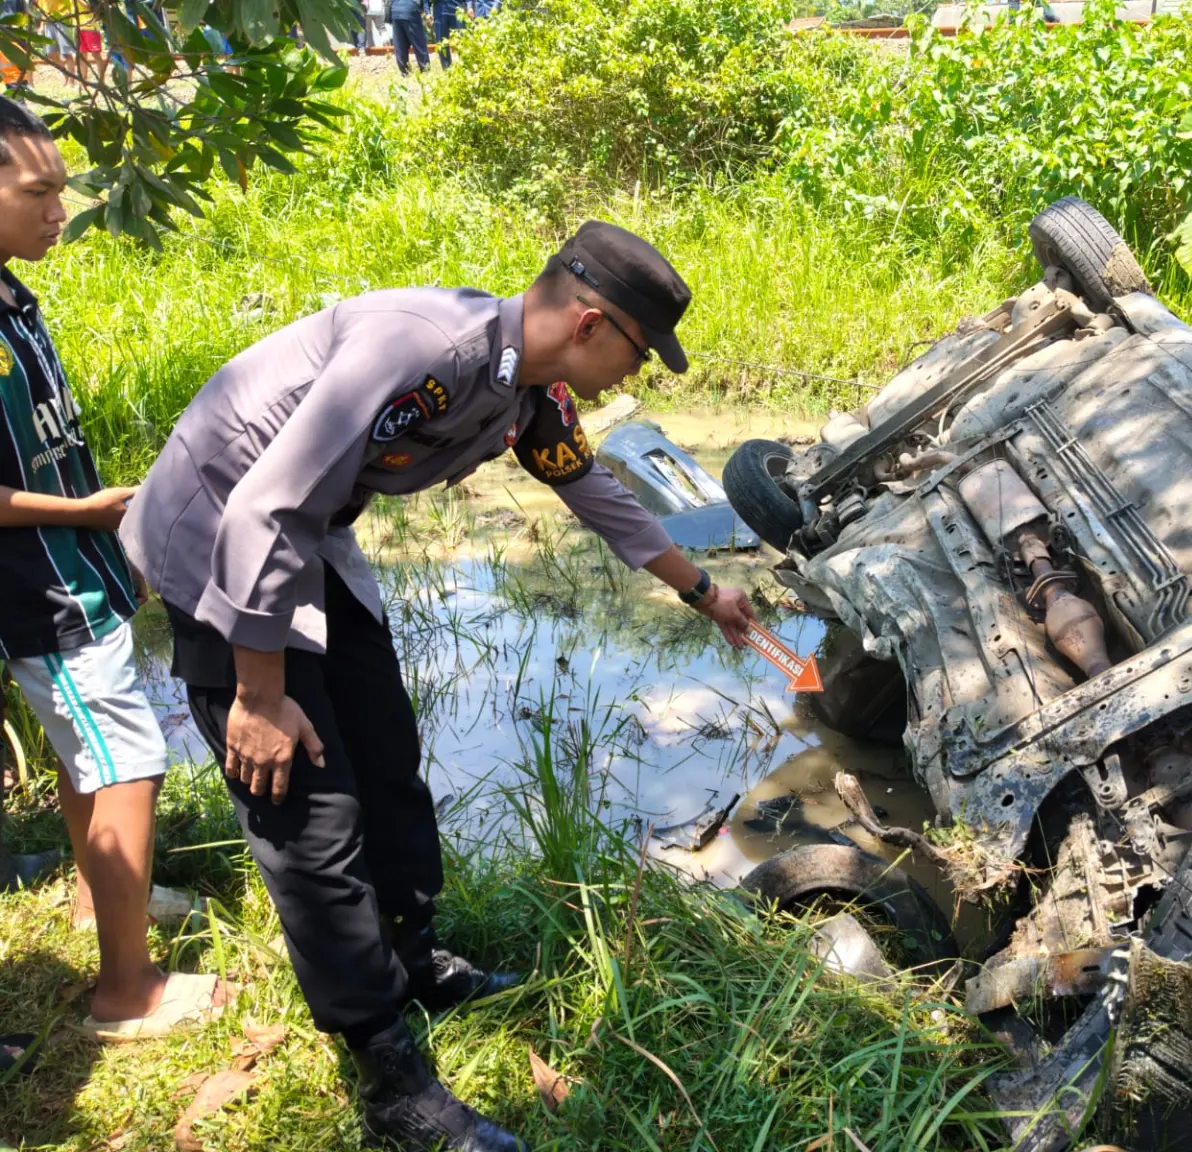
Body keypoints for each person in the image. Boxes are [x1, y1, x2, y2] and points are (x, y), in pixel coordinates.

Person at [122, 221, 757, 1152]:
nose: (638, 373)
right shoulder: (425, 350)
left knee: (386, 754)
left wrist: (704, 592)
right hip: (221, 528)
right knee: (308, 809)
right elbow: (265, 505)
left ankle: (412, 957)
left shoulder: (526, 394)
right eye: (638, 351)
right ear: (590, 323)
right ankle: (390, 1079)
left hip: (308, 536)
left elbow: (592, 489)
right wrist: (257, 696)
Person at [0, 97, 228, 1041]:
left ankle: (104, 905)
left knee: (82, 752)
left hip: (75, 566)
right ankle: (125, 992)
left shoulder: (12, 296)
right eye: (38, 191)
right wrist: (85, 514)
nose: (61, 209)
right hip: (41, 590)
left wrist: (103, 537)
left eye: (64, 190)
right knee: (129, 756)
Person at [389, 0, 428, 74]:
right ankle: (425, 69)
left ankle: (404, 72)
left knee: (400, 44)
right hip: (410, 9)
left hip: (395, 11)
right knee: (419, 42)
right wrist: (425, 11)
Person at [430, 0, 455, 68]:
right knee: (441, 42)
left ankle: (466, 67)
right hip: (440, 10)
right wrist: (427, 12)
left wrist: (469, 6)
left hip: (457, 8)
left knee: (463, 40)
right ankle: (447, 69)